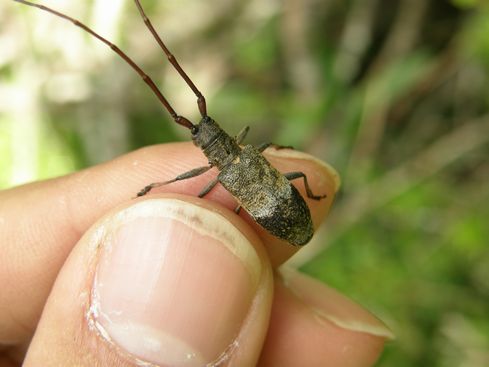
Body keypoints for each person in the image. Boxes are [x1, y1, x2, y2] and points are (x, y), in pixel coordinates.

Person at [0, 142, 393, 366]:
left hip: (284, 214)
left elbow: (202, 190)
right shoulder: (245, 159)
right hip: (283, 213)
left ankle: (311, 193)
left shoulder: (229, 172)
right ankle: (311, 193)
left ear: (214, 146)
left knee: (239, 197)